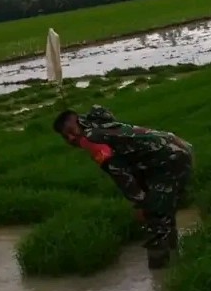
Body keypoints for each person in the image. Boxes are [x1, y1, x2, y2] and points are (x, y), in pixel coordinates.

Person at [53, 105, 193, 269]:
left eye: (71, 131)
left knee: (154, 216)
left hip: (167, 160)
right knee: (163, 211)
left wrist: (140, 204)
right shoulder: (99, 123)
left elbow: (118, 171)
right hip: (175, 150)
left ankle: (160, 273)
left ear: (78, 122)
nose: (71, 138)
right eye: (65, 136)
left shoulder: (90, 139)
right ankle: (174, 260)